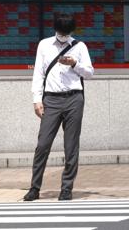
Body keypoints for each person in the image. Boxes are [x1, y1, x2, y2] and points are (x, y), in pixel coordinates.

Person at [24, 13, 94, 201]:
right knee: (43, 144)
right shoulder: (44, 45)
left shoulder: (80, 46)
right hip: (51, 100)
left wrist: (75, 63)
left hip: (74, 99)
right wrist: (36, 100)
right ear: (55, 29)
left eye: (66, 33)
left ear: (71, 31)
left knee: (71, 146)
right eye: (61, 33)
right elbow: (38, 73)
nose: (63, 36)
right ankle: (34, 188)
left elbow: (89, 73)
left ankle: (66, 189)